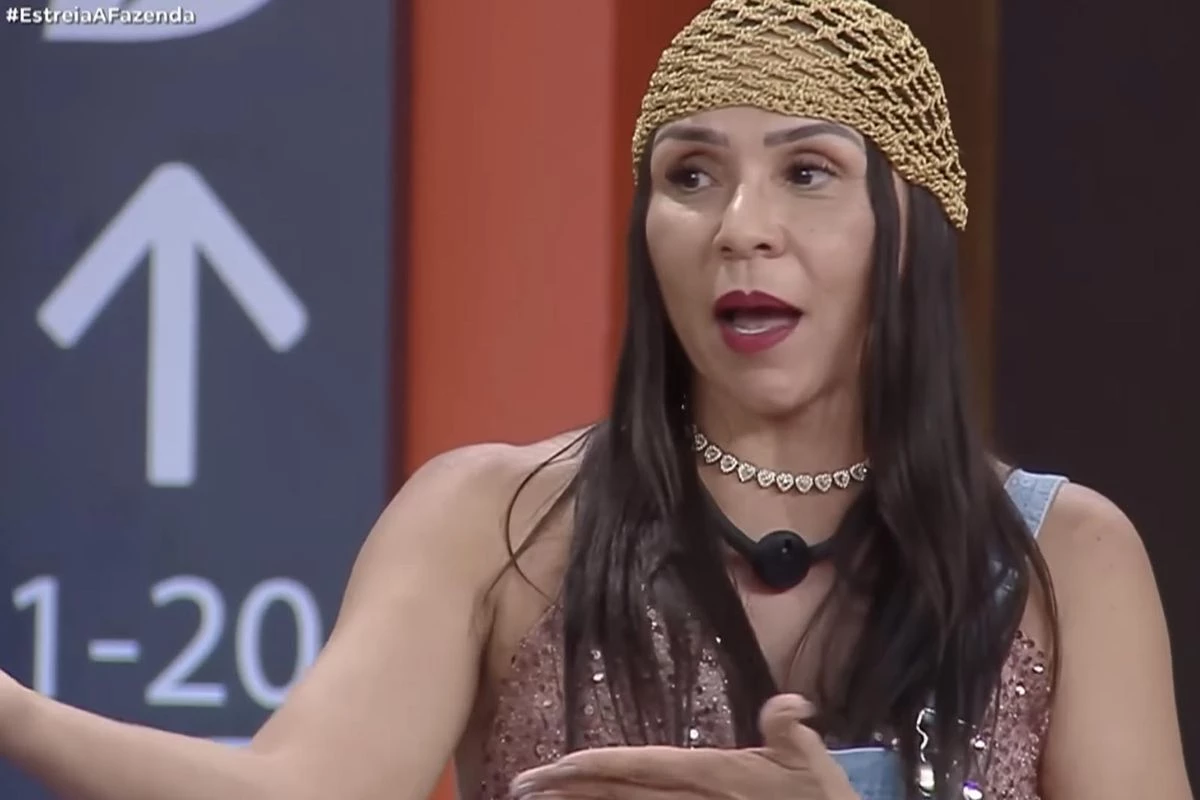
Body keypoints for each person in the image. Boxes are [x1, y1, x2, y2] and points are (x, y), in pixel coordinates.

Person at [0, 0, 1192, 798]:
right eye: (691, 174)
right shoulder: (494, 520)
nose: (741, 226)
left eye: (808, 171)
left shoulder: (1063, 559)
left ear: (910, 232)